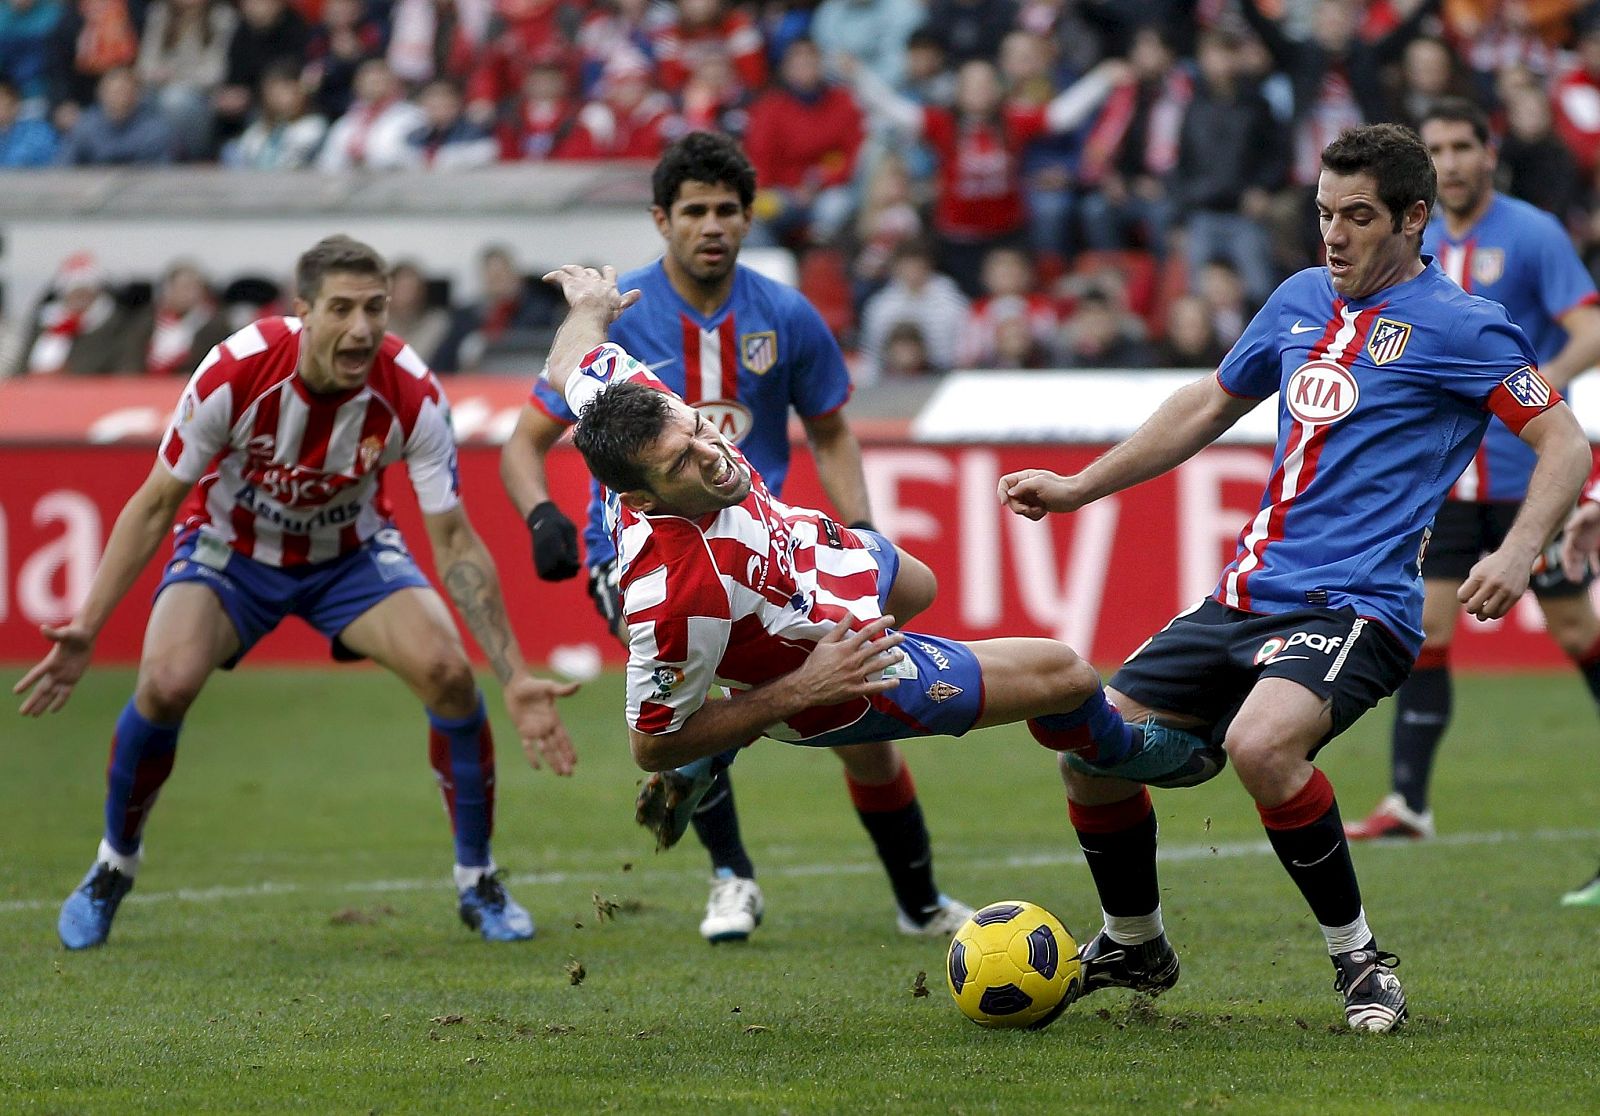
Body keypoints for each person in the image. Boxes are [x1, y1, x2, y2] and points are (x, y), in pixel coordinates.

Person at [996, 123, 1592, 1032]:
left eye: (1359, 217)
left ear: (1413, 219)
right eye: (1324, 214)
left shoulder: (1463, 325)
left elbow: (1564, 441)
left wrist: (1516, 551)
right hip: (1245, 596)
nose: (1336, 236)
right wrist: (1080, 486)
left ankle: (1360, 961)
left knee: (1263, 746)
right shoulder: (1299, 299)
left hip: (1361, 604)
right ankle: (1135, 941)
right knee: (1090, 752)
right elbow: (1205, 402)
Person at [536, 262, 1219, 975]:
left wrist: (589, 306)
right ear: (641, 501)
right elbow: (652, 744)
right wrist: (801, 691)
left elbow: (568, 359)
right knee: (1068, 675)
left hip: (814, 556)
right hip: (833, 664)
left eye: (702, 429)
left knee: (918, 585)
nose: (715, 457)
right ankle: (1119, 752)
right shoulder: (675, 595)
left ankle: (726, 746)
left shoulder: (632, 409)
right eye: (683, 463)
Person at [13, 235, 579, 951]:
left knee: (448, 677)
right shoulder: (236, 371)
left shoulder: (412, 392)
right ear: (303, 311)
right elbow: (157, 502)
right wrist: (88, 627)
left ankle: (479, 881)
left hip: (351, 556)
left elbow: (457, 541)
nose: (364, 328)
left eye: (375, 308)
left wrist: (516, 676)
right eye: (341, 309)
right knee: (163, 684)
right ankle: (111, 866)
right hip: (231, 552)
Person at [502, 131, 970, 944]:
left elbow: (829, 430)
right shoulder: (631, 317)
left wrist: (857, 527)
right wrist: (543, 515)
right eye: (694, 212)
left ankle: (920, 901)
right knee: (692, 679)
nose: (712, 226)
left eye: (727, 210)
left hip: (773, 558)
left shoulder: (786, 315)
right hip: (641, 558)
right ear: (662, 219)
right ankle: (730, 877)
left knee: (861, 729)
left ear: (750, 218)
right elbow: (525, 440)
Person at [1344, 100, 1600, 848]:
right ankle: (1408, 804)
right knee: (1425, 626)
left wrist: (1529, 392)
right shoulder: (1406, 244)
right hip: (1444, 481)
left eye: (1464, 147)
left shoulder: (1531, 234)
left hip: (1527, 476)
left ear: (1489, 155)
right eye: (1439, 149)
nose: (1452, 161)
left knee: (1575, 625)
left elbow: (1590, 327)